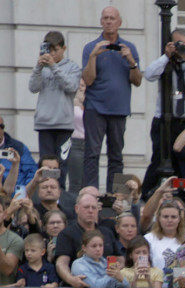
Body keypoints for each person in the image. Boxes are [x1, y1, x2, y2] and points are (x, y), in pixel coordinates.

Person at [140, 28, 185, 197]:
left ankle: (182, 194)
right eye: (178, 43)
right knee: (159, 159)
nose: (181, 47)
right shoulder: (164, 63)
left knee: (183, 162)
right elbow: (149, 74)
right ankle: (148, 194)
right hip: (163, 121)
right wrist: (166, 56)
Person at [81, 6, 141, 192]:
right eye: (105, 18)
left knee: (117, 156)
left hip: (119, 109)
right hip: (95, 109)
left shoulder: (129, 48)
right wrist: (93, 57)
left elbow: (137, 81)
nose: (108, 21)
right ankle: (89, 196)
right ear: (101, 22)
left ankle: (117, 200)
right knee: (92, 154)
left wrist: (132, 62)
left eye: (112, 18)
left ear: (119, 22)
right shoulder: (91, 47)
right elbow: (88, 80)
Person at [29, 30, 82, 188]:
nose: (51, 54)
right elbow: (33, 87)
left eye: (55, 50)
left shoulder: (72, 67)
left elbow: (71, 86)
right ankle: (45, 192)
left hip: (63, 124)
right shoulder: (42, 67)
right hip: (45, 123)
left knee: (61, 165)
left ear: (63, 48)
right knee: (45, 165)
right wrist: (38, 67)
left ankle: (59, 196)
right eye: (49, 50)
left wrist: (53, 67)